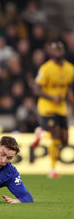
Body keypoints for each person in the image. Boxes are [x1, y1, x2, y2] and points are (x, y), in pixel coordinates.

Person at [34, 41, 74, 178]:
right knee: (56, 135)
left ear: (63, 50)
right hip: (47, 107)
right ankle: (52, 170)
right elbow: (36, 88)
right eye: (55, 49)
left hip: (61, 108)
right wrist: (51, 97)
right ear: (51, 52)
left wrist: (71, 99)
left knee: (65, 140)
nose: (58, 51)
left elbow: (68, 86)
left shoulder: (70, 68)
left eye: (59, 49)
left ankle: (42, 132)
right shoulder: (45, 69)